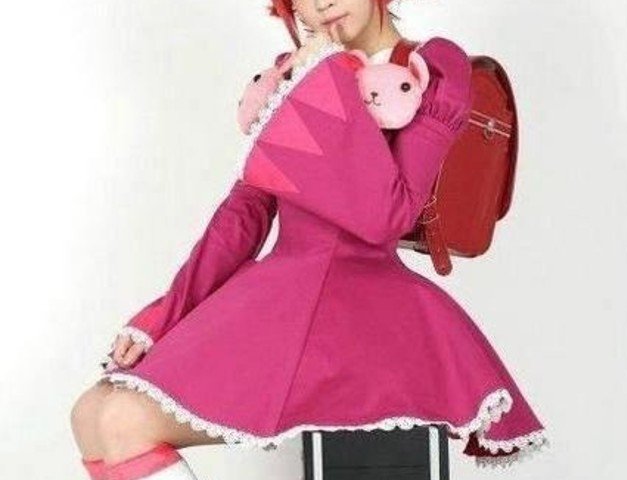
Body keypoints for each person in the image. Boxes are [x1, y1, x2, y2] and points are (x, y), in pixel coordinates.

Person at [70, 1, 549, 478]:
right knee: (90, 415)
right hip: (282, 292)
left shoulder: (432, 65)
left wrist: (328, 76)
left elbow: (388, 215)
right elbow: (244, 214)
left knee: (122, 421)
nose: (320, 4)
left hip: (360, 310)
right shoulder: (295, 72)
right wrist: (164, 316)